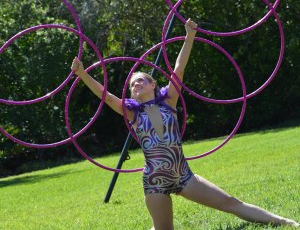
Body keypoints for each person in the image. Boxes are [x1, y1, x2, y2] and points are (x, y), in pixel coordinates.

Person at [71, 19, 299, 229]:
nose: (135, 85)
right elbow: (105, 95)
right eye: (132, 85)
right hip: (155, 180)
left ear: (153, 85)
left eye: (140, 81)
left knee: (230, 202)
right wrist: (82, 74)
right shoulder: (131, 113)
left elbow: (179, 68)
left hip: (184, 176)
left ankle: (283, 221)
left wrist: (189, 36)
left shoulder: (169, 100)